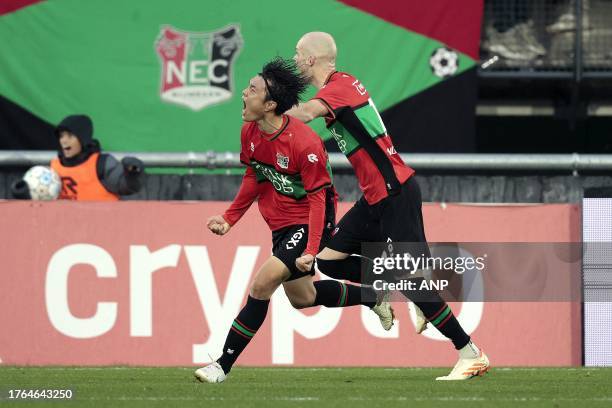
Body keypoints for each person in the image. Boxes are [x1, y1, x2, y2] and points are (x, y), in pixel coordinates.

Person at [287, 32, 489, 381]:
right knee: (329, 259)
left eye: (296, 54)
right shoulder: (341, 85)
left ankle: (470, 352)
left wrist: (270, 113)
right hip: (376, 197)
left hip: (394, 192)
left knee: (414, 283)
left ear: (309, 60)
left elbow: (304, 115)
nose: (293, 60)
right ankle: (388, 288)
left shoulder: (337, 88)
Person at [194, 57, 393, 384]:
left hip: (312, 219)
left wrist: (312, 249)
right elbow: (254, 175)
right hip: (281, 223)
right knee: (304, 298)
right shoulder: (250, 132)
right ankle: (373, 296)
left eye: (252, 90)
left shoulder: (305, 143)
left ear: (270, 104)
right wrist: (230, 218)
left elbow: (318, 199)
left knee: (262, 285)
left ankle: (221, 365)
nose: (244, 94)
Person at [11, 114, 144, 200]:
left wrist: (132, 174)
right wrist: (24, 194)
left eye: (70, 136)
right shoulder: (52, 168)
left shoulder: (101, 163)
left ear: (83, 139)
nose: (64, 141)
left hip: (102, 229)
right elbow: (40, 203)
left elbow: (127, 186)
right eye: (61, 136)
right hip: (64, 233)